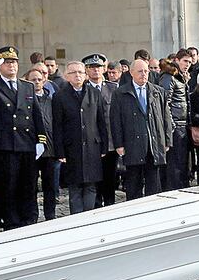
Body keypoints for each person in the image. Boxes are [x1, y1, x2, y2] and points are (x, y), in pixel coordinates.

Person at [0, 46, 47, 230]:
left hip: (27, 144)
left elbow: (37, 115)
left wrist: (41, 140)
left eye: (14, 62)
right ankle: (12, 222)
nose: (12, 66)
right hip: (5, 145)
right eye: (7, 63)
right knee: (9, 186)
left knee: (29, 185)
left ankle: (30, 219)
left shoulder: (27, 86)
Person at [110, 59, 172, 200]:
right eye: (140, 71)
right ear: (131, 73)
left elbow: (166, 118)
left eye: (146, 71)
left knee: (154, 185)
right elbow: (115, 121)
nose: (144, 74)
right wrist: (119, 144)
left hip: (154, 144)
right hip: (132, 144)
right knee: (134, 184)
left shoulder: (158, 92)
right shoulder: (120, 94)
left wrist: (167, 141)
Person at [52, 61, 107, 214]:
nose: (77, 75)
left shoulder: (94, 93)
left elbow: (101, 121)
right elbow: (57, 126)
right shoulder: (60, 96)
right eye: (73, 73)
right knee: (75, 186)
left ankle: (89, 216)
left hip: (92, 146)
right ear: (66, 76)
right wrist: (60, 151)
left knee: (91, 184)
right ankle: (76, 218)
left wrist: (104, 145)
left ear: (85, 75)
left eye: (80, 72)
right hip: (71, 147)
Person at [83, 54, 119, 207]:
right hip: (92, 142)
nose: (95, 70)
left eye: (98, 67)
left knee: (110, 178)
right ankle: (96, 206)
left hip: (111, 141)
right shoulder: (83, 89)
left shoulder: (113, 88)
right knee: (94, 179)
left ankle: (110, 205)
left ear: (104, 69)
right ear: (87, 70)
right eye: (92, 67)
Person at [25, 65, 59, 221]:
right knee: (31, 184)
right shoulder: (25, 99)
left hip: (50, 148)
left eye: (39, 79)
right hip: (31, 148)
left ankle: (50, 214)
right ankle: (32, 215)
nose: (37, 82)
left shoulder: (52, 99)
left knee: (50, 185)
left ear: (45, 80)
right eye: (33, 80)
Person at [160, 55, 191, 191]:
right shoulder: (168, 77)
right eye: (185, 61)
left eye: (189, 62)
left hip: (182, 125)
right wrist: (171, 125)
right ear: (177, 60)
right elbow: (164, 103)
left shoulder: (179, 77)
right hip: (175, 126)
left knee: (182, 163)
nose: (187, 64)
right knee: (174, 164)